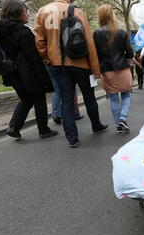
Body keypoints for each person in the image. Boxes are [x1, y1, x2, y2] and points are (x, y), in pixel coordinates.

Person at [34, 0, 108, 148]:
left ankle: (72, 138)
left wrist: (48, 57)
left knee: (66, 99)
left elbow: (39, 41)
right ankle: (96, 125)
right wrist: (95, 69)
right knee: (89, 96)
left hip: (57, 64)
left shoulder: (41, 12)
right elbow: (89, 43)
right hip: (80, 63)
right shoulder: (77, 11)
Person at [0, 0, 57, 140]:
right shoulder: (23, 32)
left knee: (26, 100)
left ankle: (13, 127)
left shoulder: (0, 31)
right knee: (39, 99)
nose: (27, 13)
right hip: (28, 72)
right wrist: (43, 77)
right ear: (17, 14)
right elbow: (33, 57)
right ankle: (44, 130)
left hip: (12, 72)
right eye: (24, 11)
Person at [93, 4, 134, 134]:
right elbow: (130, 54)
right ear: (112, 15)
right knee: (126, 95)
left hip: (107, 70)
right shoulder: (121, 32)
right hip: (123, 69)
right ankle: (123, 119)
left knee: (114, 98)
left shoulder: (96, 34)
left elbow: (95, 55)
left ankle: (118, 124)